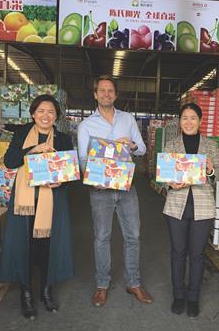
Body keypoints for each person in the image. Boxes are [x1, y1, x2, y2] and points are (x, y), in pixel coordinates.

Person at [77, 75, 151, 307]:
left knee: (134, 236)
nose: (106, 94)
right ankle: (102, 285)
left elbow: (142, 149)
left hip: (126, 186)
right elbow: (81, 158)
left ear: (116, 95)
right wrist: (92, 178)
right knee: (102, 237)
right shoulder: (86, 125)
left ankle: (134, 282)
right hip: (100, 190)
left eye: (110, 90)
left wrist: (131, 145)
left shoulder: (128, 119)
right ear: (95, 94)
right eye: (102, 90)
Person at [0, 94, 74, 319]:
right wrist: (30, 150)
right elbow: (9, 161)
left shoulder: (62, 139)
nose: (45, 115)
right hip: (25, 200)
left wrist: (62, 180)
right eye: (41, 111)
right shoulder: (22, 134)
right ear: (33, 114)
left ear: (56, 116)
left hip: (53, 198)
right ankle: (26, 293)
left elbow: (71, 170)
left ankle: (46, 290)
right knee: (26, 245)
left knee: (47, 246)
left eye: (50, 112)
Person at [162, 103, 219, 318]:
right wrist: (171, 184)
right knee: (178, 253)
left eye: (193, 118)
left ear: (200, 121)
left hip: (202, 207)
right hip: (176, 205)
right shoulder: (171, 145)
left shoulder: (210, 146)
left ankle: (193, 297)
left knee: (197, 255)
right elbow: (163, 176)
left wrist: (210, 169)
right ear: (179, 121)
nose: (188, 122)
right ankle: (178, 295)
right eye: (185, 118)